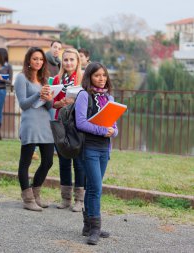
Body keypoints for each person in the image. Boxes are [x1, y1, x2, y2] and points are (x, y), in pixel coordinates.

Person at [75, 62, 118, 245]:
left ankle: (88, 225)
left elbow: (114, 127)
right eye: (97, 76)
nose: (101, 79)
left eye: (104, 75)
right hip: (89, 148)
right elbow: (81, 123)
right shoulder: (84, 95)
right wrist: (102, 131)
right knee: (96, 188)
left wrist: (112, 132)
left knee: (93, 188)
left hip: (104, 149)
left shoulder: (109, 98)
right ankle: (95, 229)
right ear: (89, 77)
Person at [14, 47, 54, 212]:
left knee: (48, 161)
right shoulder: (21, 78)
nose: (38, 62)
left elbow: (49, 106)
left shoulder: (45, 79)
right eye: (35, 59)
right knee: (26, 162)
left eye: (41, 59)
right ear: (28, 60)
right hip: (30, 123)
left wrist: (49, 98)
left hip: (45, 123)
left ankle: (36, 192)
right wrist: (38, 94)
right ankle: (27, 198)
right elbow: (23, 103)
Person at [52, 48, 85, 212]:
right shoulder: (57, 79)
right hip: (62, 123)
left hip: (78, 125)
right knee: (63, 161)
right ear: (62, 62)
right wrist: (62, 102)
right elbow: (53, 103)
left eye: (72, 60)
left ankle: (80, 199)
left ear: (77, 61)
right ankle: (65, 198)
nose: (69, 63)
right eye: (66, 60)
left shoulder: (83, 78)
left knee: (79, 163)